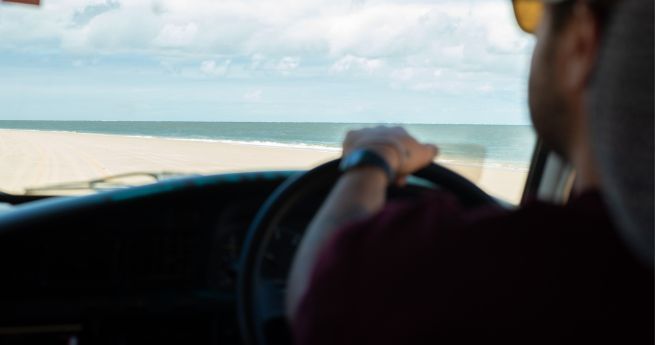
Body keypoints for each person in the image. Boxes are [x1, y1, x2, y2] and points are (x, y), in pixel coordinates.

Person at [286, 0, 654, 344]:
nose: (535, 40)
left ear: (579, 42)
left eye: (539, 23)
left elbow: (317, 296)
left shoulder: (521, 271)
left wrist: (372, 160)